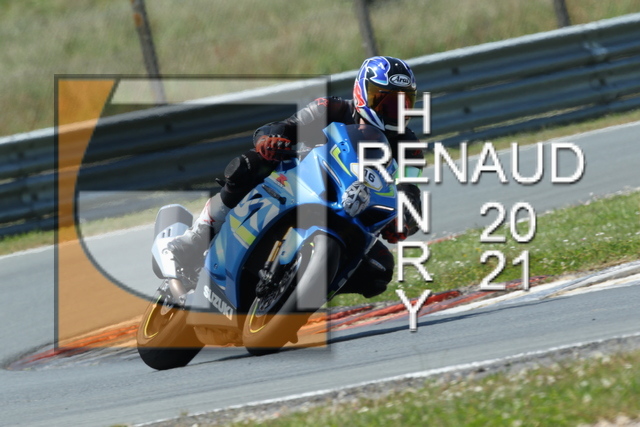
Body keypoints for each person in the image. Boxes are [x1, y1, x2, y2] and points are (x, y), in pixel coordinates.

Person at [168, 56, 424, 298]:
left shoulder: (410, 147)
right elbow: (282, 127)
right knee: (249, 165)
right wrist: (270, 140)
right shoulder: (331, 108)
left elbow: (410, 191)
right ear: (362, 93)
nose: (394, 112)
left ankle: (300, 293)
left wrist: (405, 222)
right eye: (385, 102)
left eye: (403, 104)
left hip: (354, 214)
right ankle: (196, 238)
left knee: (380, 269)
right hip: (301, 183)